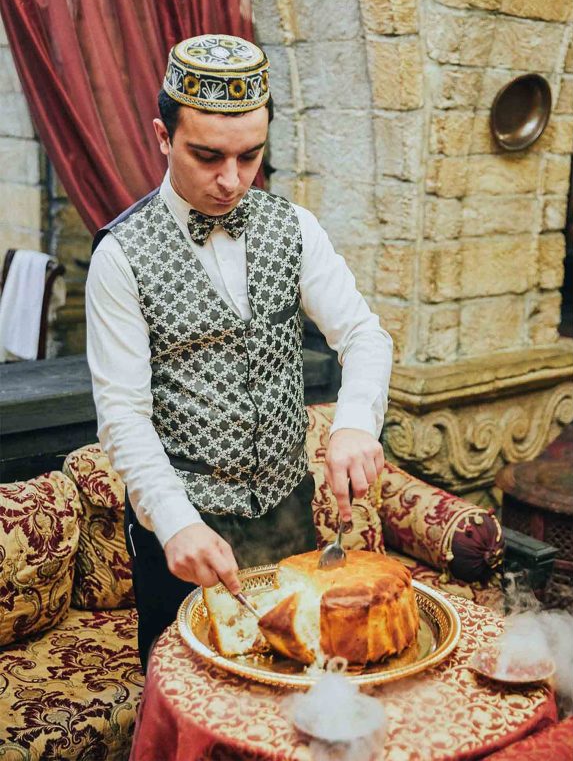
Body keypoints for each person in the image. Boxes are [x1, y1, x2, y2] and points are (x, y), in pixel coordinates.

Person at [85, 34, 393, 671]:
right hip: (183, 521)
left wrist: (356, 423)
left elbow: (364, 335)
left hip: (285, 512)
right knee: (194, 693)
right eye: (207, 156)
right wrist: (174, 523)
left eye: (250, 157)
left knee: (298, 680)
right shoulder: (119, 257)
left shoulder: (295, 227)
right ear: (162, 137)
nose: (231, 181)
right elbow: (123, 416)